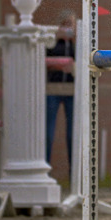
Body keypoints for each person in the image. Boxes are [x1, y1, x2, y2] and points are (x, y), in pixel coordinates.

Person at [45, 10, 76, 168]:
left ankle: (74, 172)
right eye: (65, 24)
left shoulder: (77, 45)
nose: (68, 28)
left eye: (71, 24)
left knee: (72, 134)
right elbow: (45, 60)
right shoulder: (53, 44)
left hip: (72, 91)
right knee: (48, 133)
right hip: (53, 90)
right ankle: (45, 168)